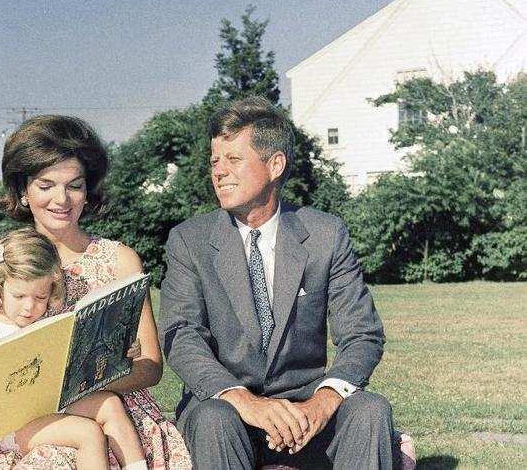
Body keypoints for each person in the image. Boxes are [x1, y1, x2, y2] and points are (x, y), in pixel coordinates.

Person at [158, 97, 404, 470]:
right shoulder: (189, 241)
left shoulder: (325, 234)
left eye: (233, 159)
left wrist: (323, 402)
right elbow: (181, 335)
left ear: (275, 165)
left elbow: (362, 335)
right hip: (229, 411)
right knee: (212, 418)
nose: (218, 172)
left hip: (306, 411)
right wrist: (245, 401)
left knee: (370, 410)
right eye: (214, 161)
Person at [0, 115, 191, 469]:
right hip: (41, 422)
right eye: (46, 185)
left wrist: (93, 379)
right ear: (23, 193)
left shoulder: (120, 260)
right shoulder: (2, 271)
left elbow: (151, 368)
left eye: (74, 185)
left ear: (87, 191)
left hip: (118, 414)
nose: (62, 199)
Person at [0, 227, 148, 470]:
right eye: (19, 296)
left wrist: (121, 348)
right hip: (11, 424)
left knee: (110, 404)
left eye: (40, 298)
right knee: (87, 432)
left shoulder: (50, 326)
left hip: (51, 404)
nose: (29, 307)